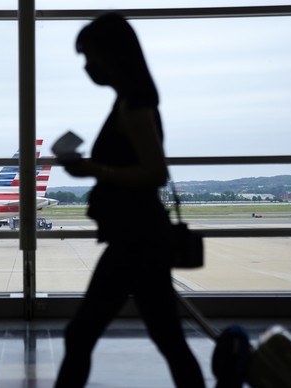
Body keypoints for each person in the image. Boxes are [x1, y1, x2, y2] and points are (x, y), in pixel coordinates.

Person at [54, 13, 205, 388]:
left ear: (111, 55)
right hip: (141, 238)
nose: (88, 67)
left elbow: (155, 173)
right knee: (169, 339)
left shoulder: (133, 107)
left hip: (135, 241)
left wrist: (94, 170)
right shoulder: (131, 101)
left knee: (81, 335)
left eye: (90, 57)